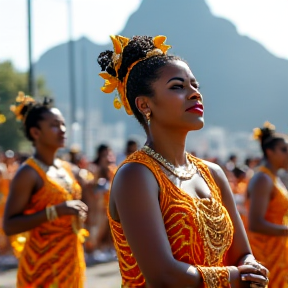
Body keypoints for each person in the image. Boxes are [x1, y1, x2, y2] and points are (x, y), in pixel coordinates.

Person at [98, 35, 269, 287]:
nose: (194, 94)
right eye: (177, 87)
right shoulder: (136, 175)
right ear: (145, 104)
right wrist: (236, 277)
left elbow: (241, 253)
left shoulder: (213, 173)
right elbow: (163, 276)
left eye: (195, 85)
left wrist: (251, 266)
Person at [3, 94, 88, 287]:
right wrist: (56, 211)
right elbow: (10, 225)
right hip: (41, 268)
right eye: (54, 125)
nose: (63, 130)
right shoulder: (28, 173)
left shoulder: (65, 168)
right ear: (35, 133)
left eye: (63, 124)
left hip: (71, 260)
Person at [246, 122, 288, 287]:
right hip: (264, 252)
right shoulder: (263, 179)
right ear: (269, 152)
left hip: (277, 248)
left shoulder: (273, 178)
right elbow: (255, 223)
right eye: (284, 150)